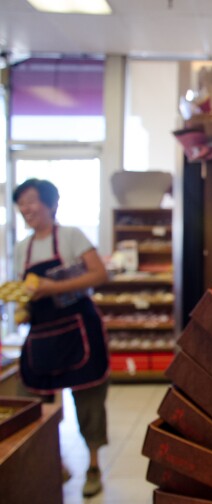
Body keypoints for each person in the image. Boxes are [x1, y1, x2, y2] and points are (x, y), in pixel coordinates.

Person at [13, 178, 110, 498]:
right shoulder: (21, 248)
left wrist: (51, 288)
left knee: (89, 402)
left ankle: (93, 466)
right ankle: (54, 463)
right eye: (21, 203)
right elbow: (25, 291)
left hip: (79, 329)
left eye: (31, 201)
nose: (26, 208)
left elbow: (98, 274)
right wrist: (23, 309)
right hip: (42, 333)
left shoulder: (70, 236)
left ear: (51, 204)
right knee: (34, 400)